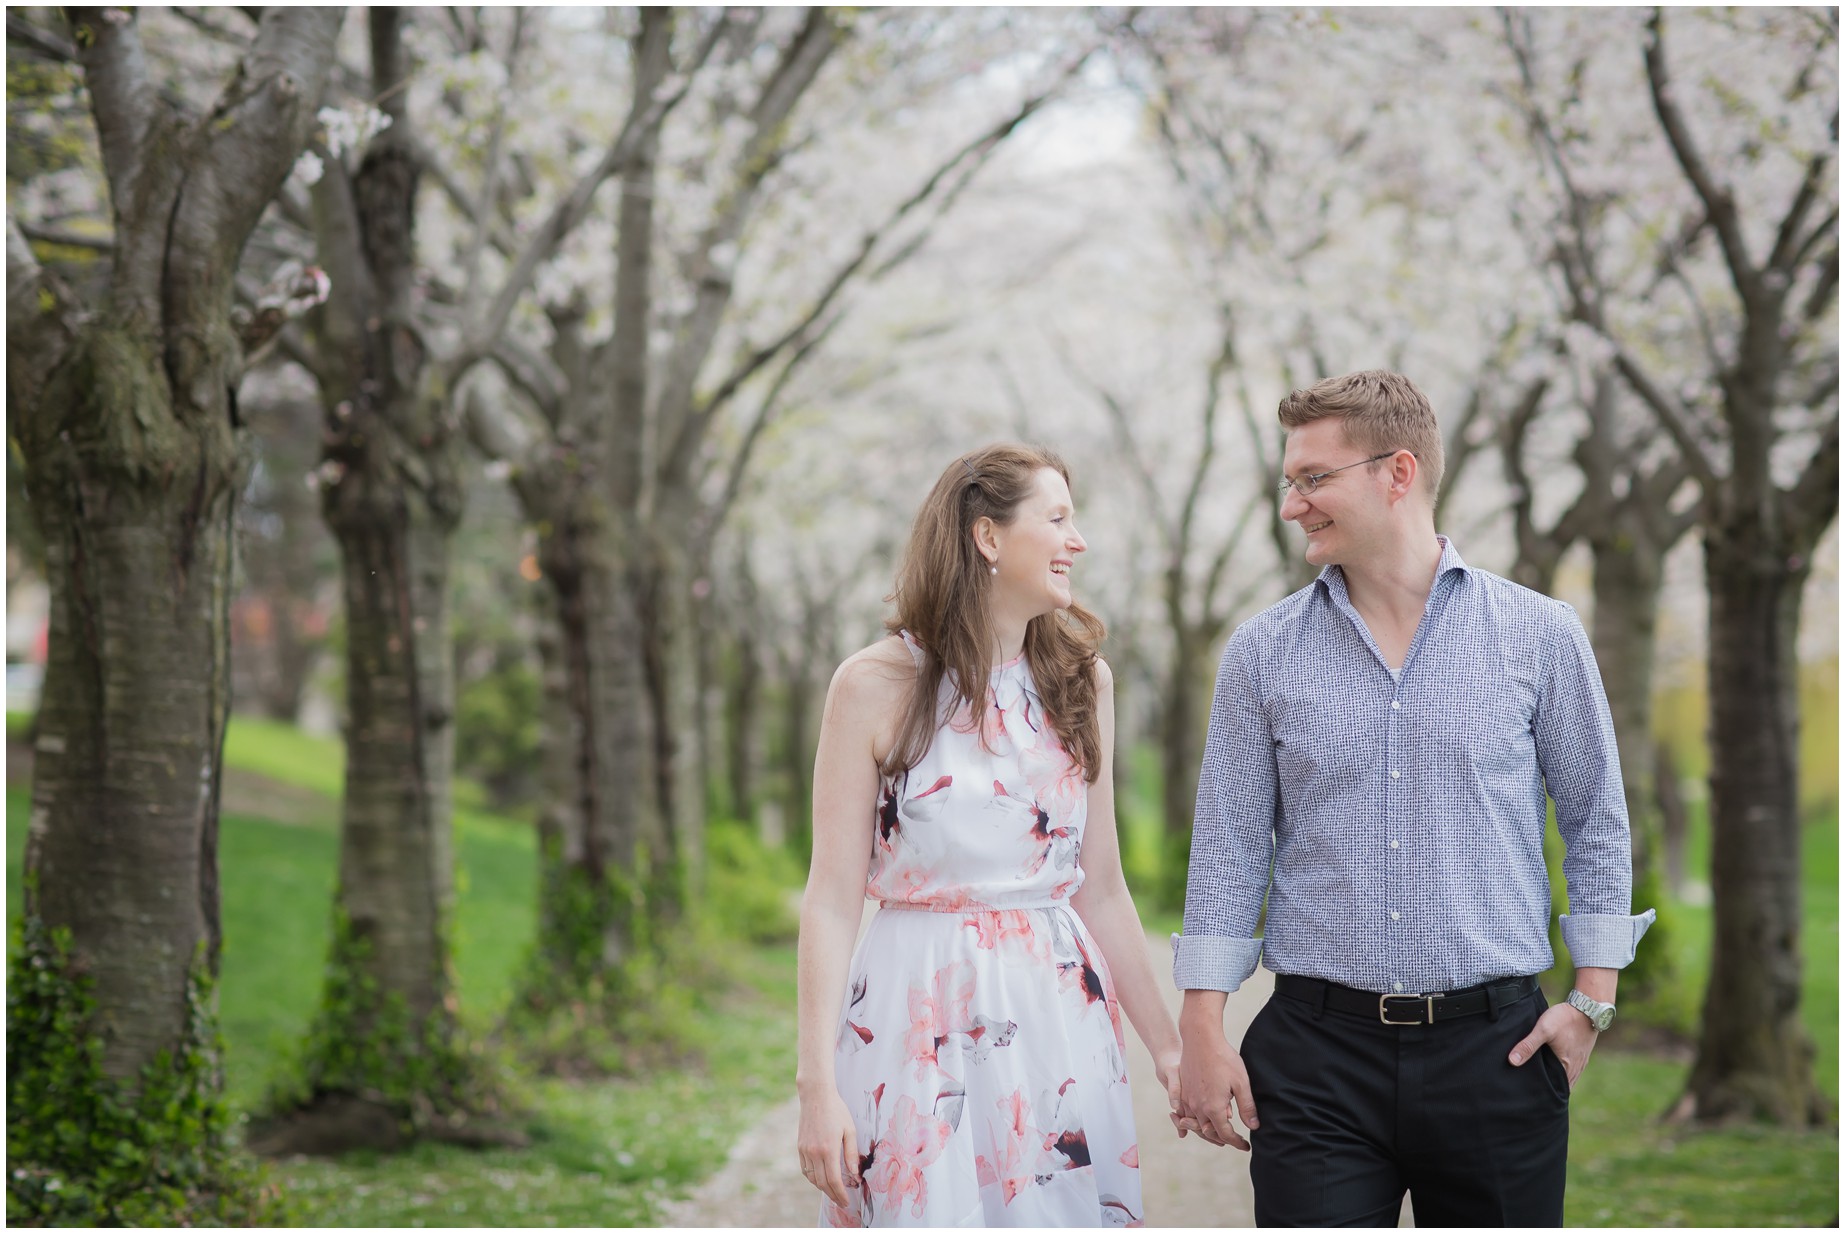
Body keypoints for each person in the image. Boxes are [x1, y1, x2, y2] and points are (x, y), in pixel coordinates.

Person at [1173, 371, 1655, 1227]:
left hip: (1496, 1054)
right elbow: (1229, 843)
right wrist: (1203, 1028)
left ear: (1396, 474)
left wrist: (1589, 1001)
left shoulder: (1540, 634)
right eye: (1291, 482)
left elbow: (1595, 821)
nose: (1293, 506)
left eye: (1313, 479)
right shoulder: (1261, 654)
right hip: (1315, 1059)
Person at [796, 444, 1183, 1228]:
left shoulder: (1082, 682)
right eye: (1058, 518)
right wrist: (816, 1086)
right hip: (916, 1016)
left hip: (1056, 1016)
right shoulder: (873, 686)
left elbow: (1101, 887)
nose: (1078, 541)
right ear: (988, 538)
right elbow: (832, 900)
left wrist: (1171, 1052)